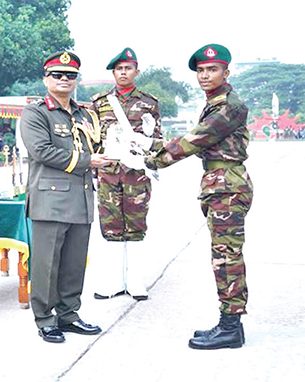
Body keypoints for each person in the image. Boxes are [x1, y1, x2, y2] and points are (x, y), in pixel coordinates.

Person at [128, 44, 253, 350]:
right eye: (200, 70)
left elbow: (196, 139)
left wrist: (154, 159)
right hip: (219, 183)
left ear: (226, 72)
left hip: (227, 185)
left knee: (227, 257)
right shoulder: (215, 102)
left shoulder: (229, 106)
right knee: (222, 255)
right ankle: (228, 323)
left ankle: (231, 327)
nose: (205, 76)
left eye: (212, 69)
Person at [21, 51, 108, 343]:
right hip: (51, 200)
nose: (64, 80)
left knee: (73, 264)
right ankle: (45, 318)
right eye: (57, 75)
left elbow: (99, 144)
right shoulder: (36, 112)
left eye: (70, 76)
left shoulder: (85, 114)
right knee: (46, 265)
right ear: (46, 79)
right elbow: (42, 151)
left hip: (82, 198)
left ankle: (69, 315)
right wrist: (89, 161)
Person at [91, 47, 162, 301]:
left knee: (136, 225)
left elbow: (158, 141)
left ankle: (135, 282)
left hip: (136, 173)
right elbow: (93, 139)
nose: (123, 72)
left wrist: (146, 145)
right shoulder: (99, 102)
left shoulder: (149, 103)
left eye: (128, 68)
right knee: (110, 226)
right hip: (109, 173)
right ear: (113, 72)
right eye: (119, 68)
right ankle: (112, 281)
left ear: (136, 71)